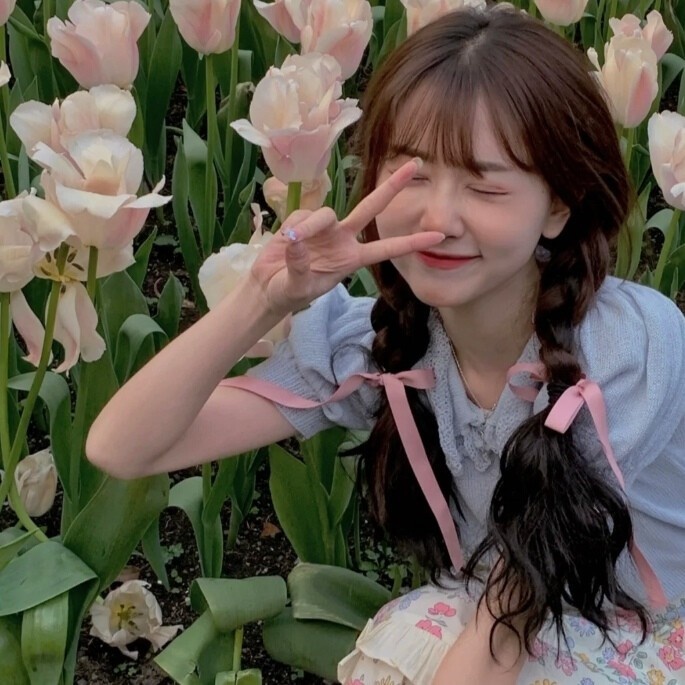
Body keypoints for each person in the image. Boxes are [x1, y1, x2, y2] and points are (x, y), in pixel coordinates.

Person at [86, 5, 685, 684]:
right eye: (412, 175)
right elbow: (123, 448)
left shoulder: (624, 349)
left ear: (558, 204)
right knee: (419, 636)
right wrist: (263, 299)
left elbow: (510, 613)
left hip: (651, 625)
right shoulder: (386, 347)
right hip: (524, 614)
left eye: (485, 184)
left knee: (422, 641)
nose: (439, 219)